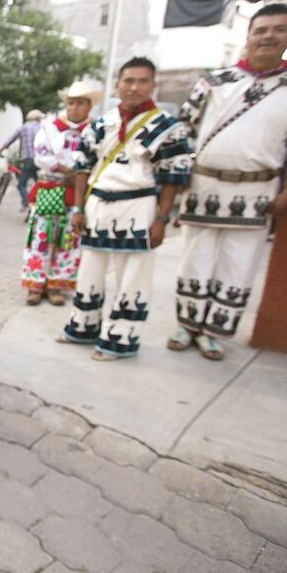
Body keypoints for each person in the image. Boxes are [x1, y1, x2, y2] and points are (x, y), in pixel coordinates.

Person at [169, 4, 287, 360]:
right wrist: (178, 181)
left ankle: (214, 332)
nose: (268, 36)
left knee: (240, 263)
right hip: (204, 188)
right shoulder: (214, 81)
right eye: (261, 30)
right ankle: (187, 325)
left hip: (257, 192)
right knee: (195, 259)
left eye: (278, 29)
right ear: (248, 36)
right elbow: (184, 131)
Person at [60, 57, 192, 361]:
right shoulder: (100, 125)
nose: (134, 87)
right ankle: (83, 327)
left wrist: (161, 219)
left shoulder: (169, 128)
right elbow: (82, 169)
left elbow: (172, 179)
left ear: (152, 86)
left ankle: (118, 340)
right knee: (89, 270)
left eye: (142, 81)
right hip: (97, 205)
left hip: (138, 205)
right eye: (128, 81)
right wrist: (78, 208)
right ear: (117, 85)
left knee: (132, 275)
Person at [22, 81, 102, 306]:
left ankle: (56, 284)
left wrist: (80, 176)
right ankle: (35, 283)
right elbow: (43, 157)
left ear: (89, 106)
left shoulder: (94, 131)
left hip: (77, 193)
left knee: (69, 239)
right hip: (50, 188)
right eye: (70, 103)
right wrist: (70, 172)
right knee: (41, 237)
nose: (74, 108)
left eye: (79, 104)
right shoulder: (49, 128)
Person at [0, 109, 44, 212]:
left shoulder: (23, 128)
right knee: (38, 182)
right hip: (41, 160)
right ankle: (39, 200)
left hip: (28, 159)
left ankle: (27, 201)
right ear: (37, 118)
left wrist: (0, 151)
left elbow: (10, 140)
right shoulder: (42, 128)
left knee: (21, 184)